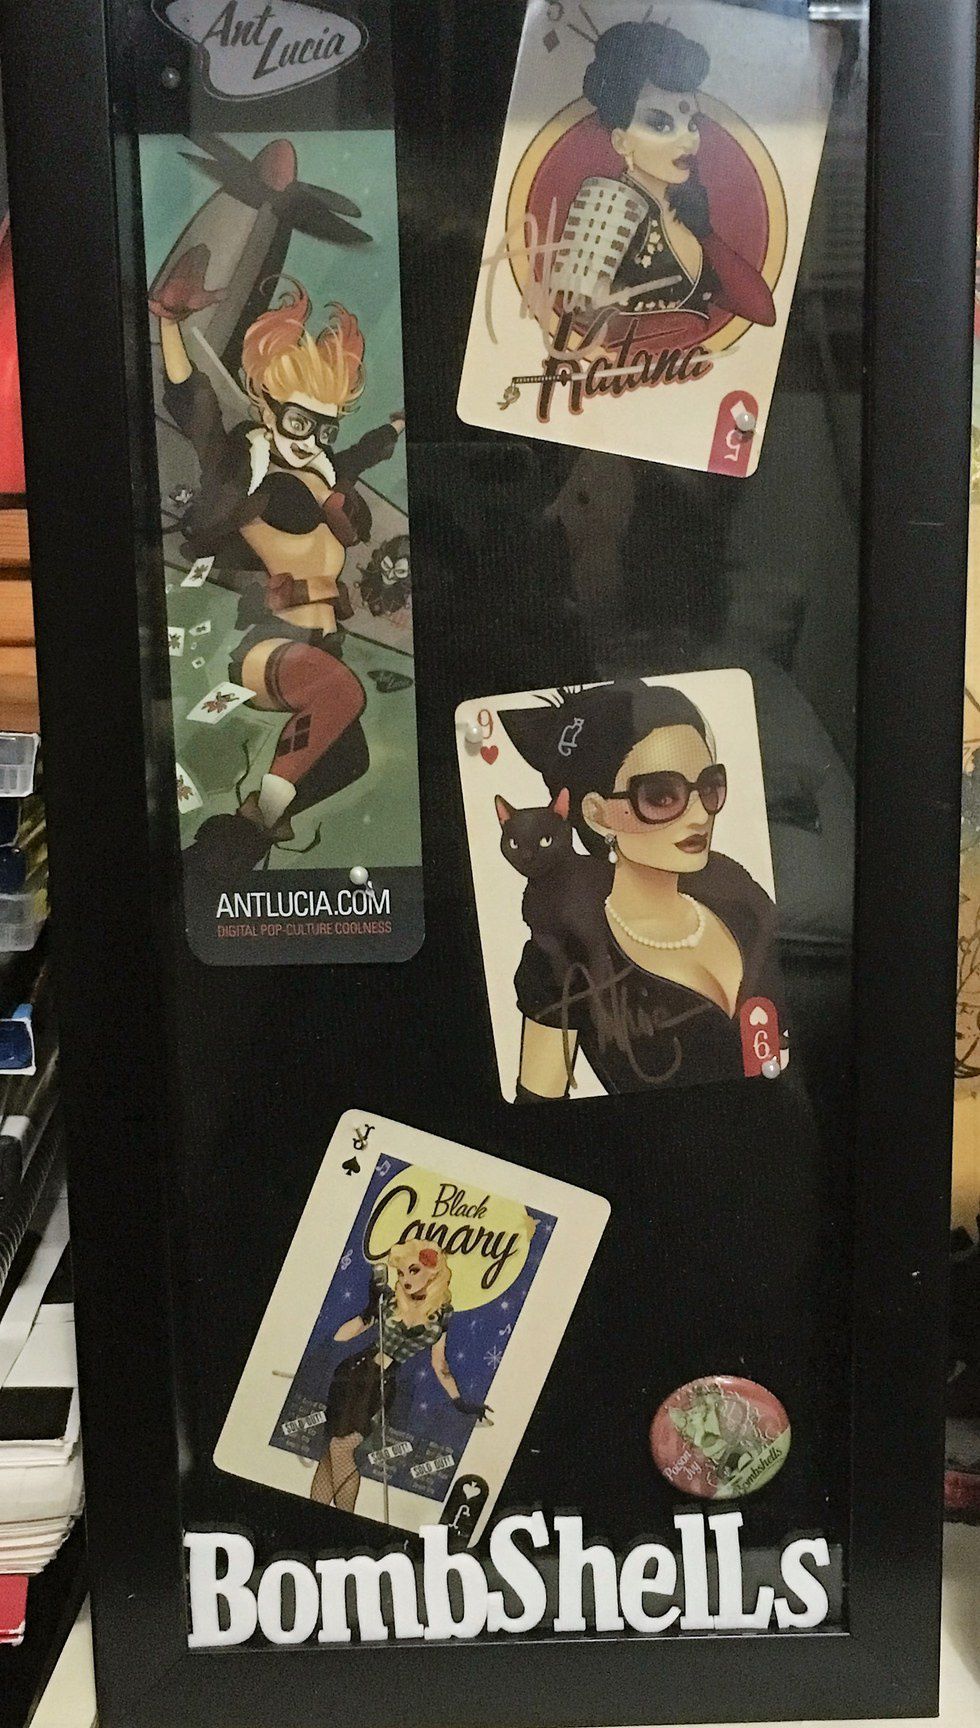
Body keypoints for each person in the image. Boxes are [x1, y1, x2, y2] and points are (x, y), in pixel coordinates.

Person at [149, 245, 405, 869]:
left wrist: (398, 427)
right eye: (298, 421)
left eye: (324, 427)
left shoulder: (325, 471)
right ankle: (257, 820)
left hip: (321, 646)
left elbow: (362, 453)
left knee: (353, 759)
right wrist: (171, 324)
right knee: (340, 695)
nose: (311, 439)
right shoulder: (250, 470)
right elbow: (195, 407)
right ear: (267, 405)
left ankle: (238, 841)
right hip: (266, 647)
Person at [500, 681, 783, 1097]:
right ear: (596, 814)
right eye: (661, 795)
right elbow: (537, 1113)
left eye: (709, 787)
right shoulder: (561, 956)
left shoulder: (735, 890)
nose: (699, 815)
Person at [553, 20, 776, 327]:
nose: (687, 140)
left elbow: (762, 312)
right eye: (661, 124)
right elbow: (577, 322)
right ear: (621, 140)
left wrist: (705, 233)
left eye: (692, 123)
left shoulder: (686, 212)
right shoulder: (606, 205)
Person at [309, 1242, 490, 1513]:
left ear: (433, 1273)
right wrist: (369, 1310)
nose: (405, 1279)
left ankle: (339, 1519)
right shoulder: (390, 1300)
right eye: (402, 1272)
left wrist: (459, 1402)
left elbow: (439, 1364)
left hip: (380, 1387)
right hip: (353, 1376)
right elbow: (342, 1336)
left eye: (413, 1271)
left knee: (339, 1449)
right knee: (334, 1449)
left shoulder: (443, 1313)